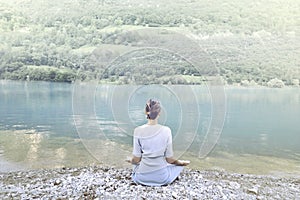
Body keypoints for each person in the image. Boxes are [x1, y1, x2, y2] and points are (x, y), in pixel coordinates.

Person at [127, 99, 190, 186]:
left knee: (135, 165)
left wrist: (130, 160)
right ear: (159, 112)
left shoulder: (138, 131)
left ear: (146, 112)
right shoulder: (166, 130)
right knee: (177, 167)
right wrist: (181, 163)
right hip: (162, 179)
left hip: (141, 178)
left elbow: (136, 159)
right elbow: (170, 159)